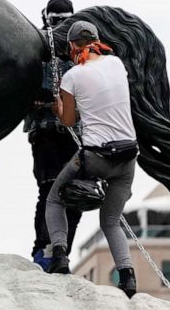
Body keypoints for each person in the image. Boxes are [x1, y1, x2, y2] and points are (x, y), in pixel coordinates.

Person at [45, 20, 139, 298]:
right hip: (128, 154)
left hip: (95, 155)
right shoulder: (117, 64)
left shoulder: (72, 76)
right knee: (111, 220)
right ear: (97, 41)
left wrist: (56, 106)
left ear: (73, 46)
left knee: (54, 199)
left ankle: (60, 257)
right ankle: (128, 278)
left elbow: (69, 120)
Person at [24, 0, 82, 270]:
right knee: (49, 190)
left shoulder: (80, 52)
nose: (58, 26)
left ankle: (62, 251)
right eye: (54, 20)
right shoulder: (34, 47)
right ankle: (42, 250)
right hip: (46, 131)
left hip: (75, 134)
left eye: (64, 21)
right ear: (46, 18)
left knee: (78, 193)